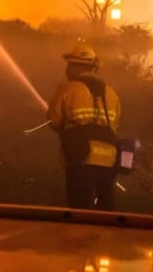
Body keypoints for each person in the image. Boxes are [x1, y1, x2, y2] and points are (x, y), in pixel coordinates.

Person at [47, 43, 122, 210]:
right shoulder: (112, 93)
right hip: (109, 157)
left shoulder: (68, 89)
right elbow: (114, 126)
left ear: (76, 66)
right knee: (106, 204)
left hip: (80, 155)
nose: (66, 70)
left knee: (80, 205)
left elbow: (54, 121)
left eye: (69, 65)